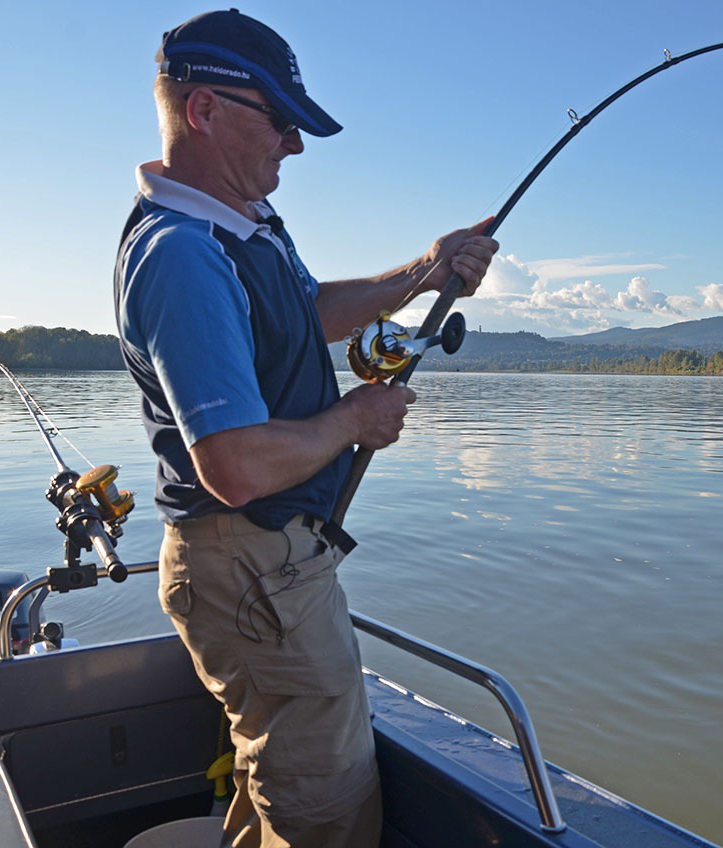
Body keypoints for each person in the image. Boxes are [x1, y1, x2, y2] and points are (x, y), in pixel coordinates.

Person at [113, 10, 499, 847]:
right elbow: (236, 466)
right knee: (323, 812)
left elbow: (310, 310)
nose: (295, 144)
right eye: (281, 120)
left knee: (280, 778)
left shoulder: (239, 226)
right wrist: (354, 417)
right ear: (205, 110)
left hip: (265, 568)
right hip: (248, 560)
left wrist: (420, 273)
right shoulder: (182, 251)